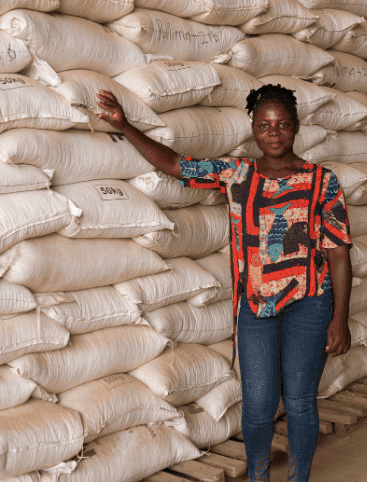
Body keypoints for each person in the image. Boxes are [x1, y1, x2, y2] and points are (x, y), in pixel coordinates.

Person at [95, 83, 352, 482]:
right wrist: (125, 126)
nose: (273, 133)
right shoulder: (236, 174)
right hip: (255, 306)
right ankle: (259, 476)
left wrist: (340, 319)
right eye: (264, 125)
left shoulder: (322, 180)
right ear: (253, 128)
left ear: (297, 127)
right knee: (258, 406)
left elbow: (339, 252)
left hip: (310, 302)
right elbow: (176, 165)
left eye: (283, 124)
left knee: (300, 401)